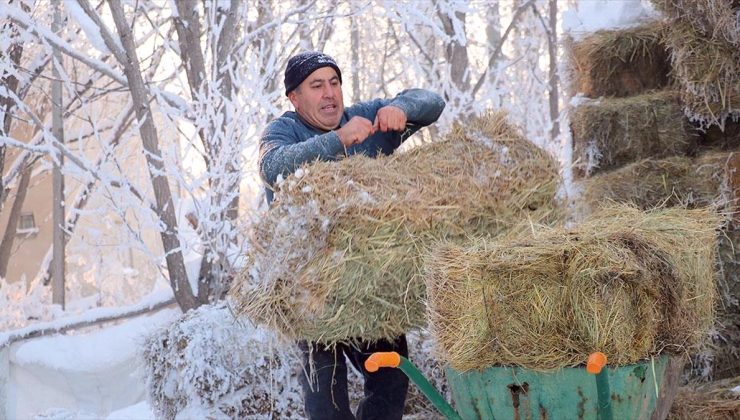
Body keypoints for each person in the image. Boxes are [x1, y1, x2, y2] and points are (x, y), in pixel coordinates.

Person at [258, 51, 445, 420]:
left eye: (334, 82)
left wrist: (402, 109)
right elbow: (273, 168)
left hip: (367, 285)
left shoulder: (365, 120)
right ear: (295, 98)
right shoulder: (282, 132)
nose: (329, 93)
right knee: (326, 403)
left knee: (391, 380)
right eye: (317, 86)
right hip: (310, 291)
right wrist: (338, 140)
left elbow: (433, 102)